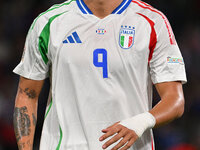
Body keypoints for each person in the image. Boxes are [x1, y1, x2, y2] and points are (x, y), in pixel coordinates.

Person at [13, 0, 187, 149]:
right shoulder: (49, 22)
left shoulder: (152, 22)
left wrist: (140, 122)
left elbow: (175, 100)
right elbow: (27, 95)